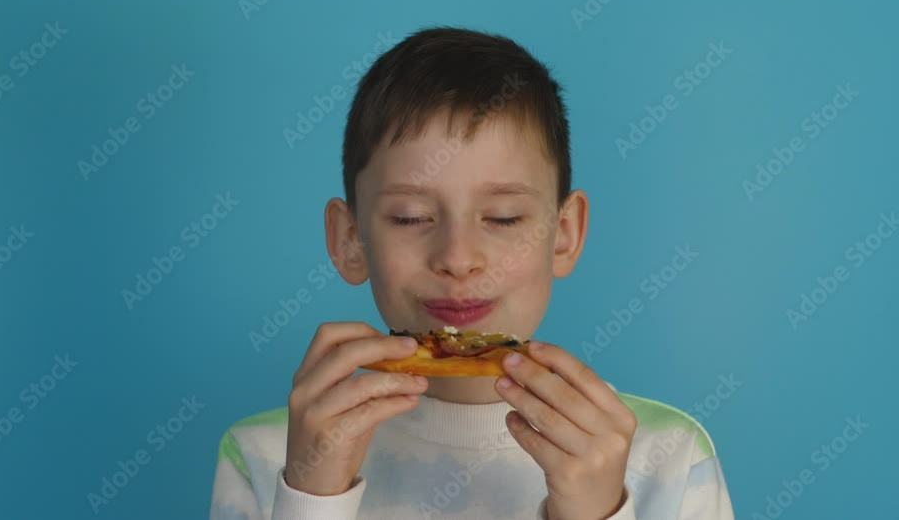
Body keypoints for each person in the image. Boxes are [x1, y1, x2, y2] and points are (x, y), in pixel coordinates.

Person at [209, 27, 735, 520]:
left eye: (503, 218)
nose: (458, 259)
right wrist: (309, 499)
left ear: (564, 233)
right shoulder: (266, 455)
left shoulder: (670, 454)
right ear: (350, 240)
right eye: (410, 217)